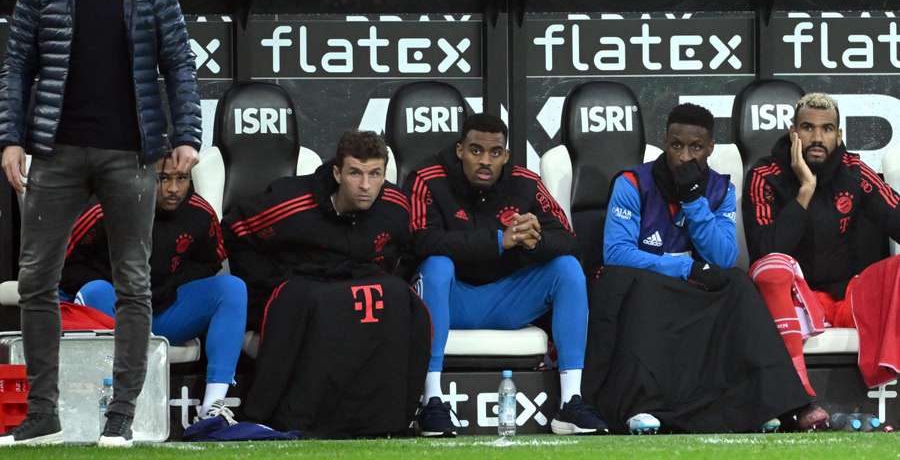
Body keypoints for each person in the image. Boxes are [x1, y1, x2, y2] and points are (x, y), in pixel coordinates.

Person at [0, 0, 200, 447]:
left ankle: (122, 415)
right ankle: (43, 412)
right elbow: (17, 68)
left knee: (134, 282)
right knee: (36, 281)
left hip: (130, 152)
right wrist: (11, 138)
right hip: (55, 151)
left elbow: (178, 64)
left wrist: (186, 132)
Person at [585, 103, 811, 434]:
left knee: (737, 283)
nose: (684, 156)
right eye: (676, 145)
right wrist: (682, 266)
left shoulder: (720, 189)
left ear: (709, 149)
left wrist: (694, 200)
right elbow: (617, 253)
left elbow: (722, 258)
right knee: (638, 286)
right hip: (650, 286)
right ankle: (641, 406)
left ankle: (762, 403)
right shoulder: (633, 183)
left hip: (692, 290)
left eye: (695, 147)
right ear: (665, 143)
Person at [405, 112, 607, 437]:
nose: (485, 161)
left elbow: (568, 239)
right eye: (475, 150)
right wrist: (500, 240)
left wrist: (533, 239)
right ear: (459, 150)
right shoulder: (426, 178)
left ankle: (571, 402)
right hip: (448, 300)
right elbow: (420, 240)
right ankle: (432, 402)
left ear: (506, 156)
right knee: (437, 264)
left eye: (495, 153)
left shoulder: (525, 182)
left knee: (567, 268)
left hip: (507, 300)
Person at [223, 131, 430, 438]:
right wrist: (274, 286)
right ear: (337, 172)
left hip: (359, 306)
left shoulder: (396, 206)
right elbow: (234, 230)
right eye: (355, 173)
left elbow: (412, 249)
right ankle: (289, 417)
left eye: (375, 174)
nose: (365, 186)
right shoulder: (291, 202)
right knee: (313, 301)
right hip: (304, 301)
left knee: (401, 300)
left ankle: (387, 419)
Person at [745, 92, 900, 429]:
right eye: (808, 128)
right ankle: (799, 399)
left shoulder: (854, 169)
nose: (817, 138)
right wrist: (805, 189)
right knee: (773, 267)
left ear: (839, 135)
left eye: (827, 129)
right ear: (792, 133)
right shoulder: (765, 175)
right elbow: (765, 249)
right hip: (795, 304)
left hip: (848, 300)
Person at [60, 156, 245, 423]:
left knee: (232, 288)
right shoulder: (108, 207)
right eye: (163, 179)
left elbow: (210, 262)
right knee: (96, 290)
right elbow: (64, 266)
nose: (173, 189)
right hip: (115, 309)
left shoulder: (200, 213)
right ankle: (119, 403)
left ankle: (212, 409)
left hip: (165, 311)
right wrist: (125, 286)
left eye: (181, 179)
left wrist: (170, 283)